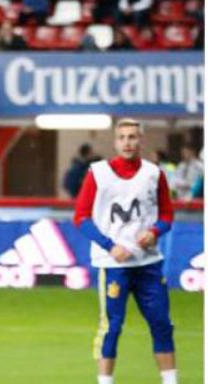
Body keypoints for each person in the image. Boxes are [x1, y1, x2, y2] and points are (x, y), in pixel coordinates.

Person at [73, 118, 176, 384]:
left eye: (133, 137)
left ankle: (170, 380)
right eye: (123, 137)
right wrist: (110, 246)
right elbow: (81, 217)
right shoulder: (97, 173)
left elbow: (166, 214)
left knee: (162, 323)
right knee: (111, 326)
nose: (128, 142)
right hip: (113, 263)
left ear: (141, 140)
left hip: (148, 262)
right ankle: (105, 381)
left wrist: (154, 232)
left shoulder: (154, 173)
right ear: (115, 141)